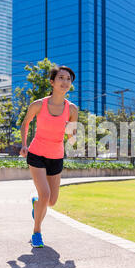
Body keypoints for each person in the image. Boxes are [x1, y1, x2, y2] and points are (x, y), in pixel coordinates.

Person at [19, 65, 78, 248]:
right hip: (36, 154)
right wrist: (24, 145)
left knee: (51, 201)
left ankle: (36, 203)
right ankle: (37, 232)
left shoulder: (72, 109)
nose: (65, 82)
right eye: (61, 78)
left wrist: (73, 139)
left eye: (68, 79)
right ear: (52, 82)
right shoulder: (38, 105)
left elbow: (71, 133)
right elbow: (25, 124)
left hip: (56, 156)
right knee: (45, 194)